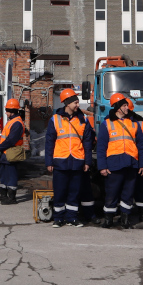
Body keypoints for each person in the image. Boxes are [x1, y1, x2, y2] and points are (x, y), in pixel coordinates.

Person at [96, 93, 143, 229]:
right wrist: (102, 166)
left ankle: (125, 218)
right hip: (114, 164)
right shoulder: (107, 124)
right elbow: (101, 147)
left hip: (131, 163)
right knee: (111, 192)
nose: (127, 108)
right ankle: (108, 218)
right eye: (124, 105)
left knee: (128, 193)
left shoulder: (134, 124)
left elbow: (142, 146)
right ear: (117, 107)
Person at [45, 89, 93, 227]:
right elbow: (49, 142)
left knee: (74, 192)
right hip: (60, 161)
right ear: (67, 103)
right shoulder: (55, 119)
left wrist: (87, 162)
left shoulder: (83, 120)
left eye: (78, 102)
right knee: (60, 191)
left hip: (77, 160)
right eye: (75, 102)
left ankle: (72, 217)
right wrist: (49, 162)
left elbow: (87, 143)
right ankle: (58, 218)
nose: (78, 105)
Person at [0, 98, 25, 204]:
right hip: (6, 152)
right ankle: (3, 195)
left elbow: (11, 140)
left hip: (11, 152)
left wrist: (0, 147)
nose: (6, 113)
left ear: (12, 111)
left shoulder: (17, 123)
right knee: (4, 174)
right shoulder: (12, 121)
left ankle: (12, 198)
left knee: (11, 175)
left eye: (7, 110)